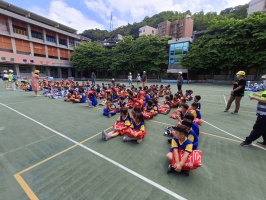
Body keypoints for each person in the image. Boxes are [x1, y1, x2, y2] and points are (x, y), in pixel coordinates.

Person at [240, 78, 266, 147]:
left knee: (258, 127)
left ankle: (248, 141)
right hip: (263, 113)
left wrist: (254, 97)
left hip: (264, 114)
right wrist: (256, 94)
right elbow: (263, 96)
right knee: (264, 128)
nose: (264, 81)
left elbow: (265, 100)